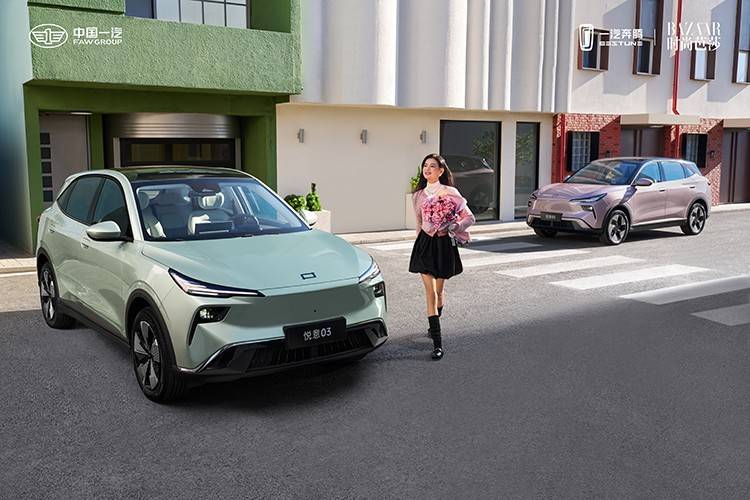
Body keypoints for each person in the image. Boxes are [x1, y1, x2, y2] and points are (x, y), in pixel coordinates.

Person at [408, 153, 476, 360]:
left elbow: (470, 217)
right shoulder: (418, 195)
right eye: (425, 165)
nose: (427, 169)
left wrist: (456, 226)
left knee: (439, 291)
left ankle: (435, 320)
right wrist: (418, 245)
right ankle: (437, 344)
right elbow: (419, 223)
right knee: (430, 293)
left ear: (441, 171)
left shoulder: (451, 193)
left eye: (432, 166)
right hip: (425, 244)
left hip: (444, 244)